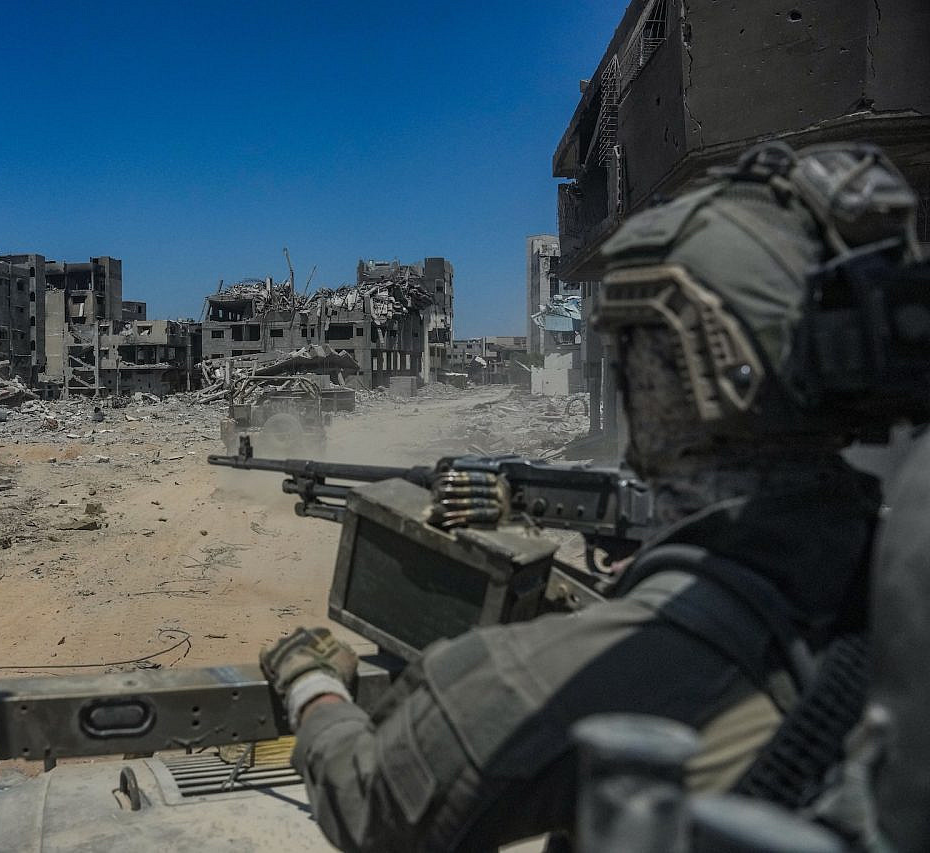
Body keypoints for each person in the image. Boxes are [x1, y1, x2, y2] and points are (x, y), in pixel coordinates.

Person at [260, 142, 924, 851]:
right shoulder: (893, 563)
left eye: (635, 352)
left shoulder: (648, 659)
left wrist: (315, 686)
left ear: (693, 365)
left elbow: (372, 803)